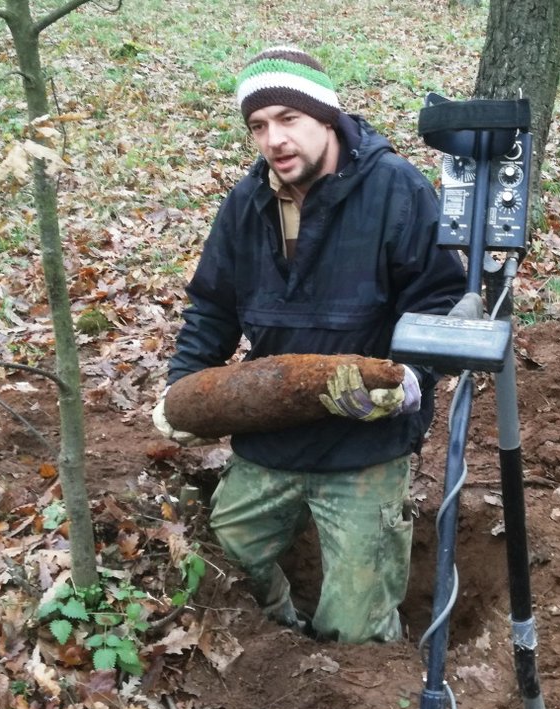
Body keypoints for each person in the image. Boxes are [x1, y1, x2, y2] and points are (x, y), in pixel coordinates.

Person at [153, 46, 466, 644]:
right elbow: (213, 306)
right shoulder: (245, 206)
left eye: (288, 119)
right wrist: (182, 387)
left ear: (327, 117)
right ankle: (282, 638)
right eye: (258, 125)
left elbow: (441, 303)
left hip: (364, 445)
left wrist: (410, 381)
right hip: (273, 433)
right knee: (228, 555)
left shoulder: (396, 191)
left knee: (355, 634)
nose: (274, 139)